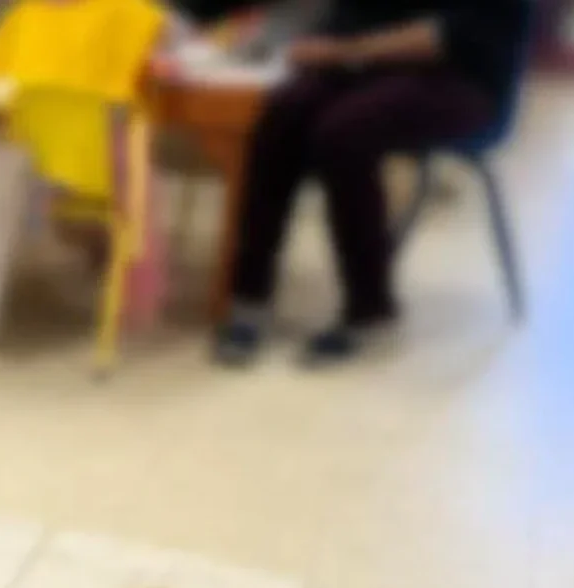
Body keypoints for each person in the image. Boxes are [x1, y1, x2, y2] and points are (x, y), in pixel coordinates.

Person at [206, 0, 532, 367]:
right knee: (284, 111)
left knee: (344, 132)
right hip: (375, 65)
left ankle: (370, 309)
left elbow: (450, 37)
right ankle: (249, 295)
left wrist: (341, 51)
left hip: (466, 79)